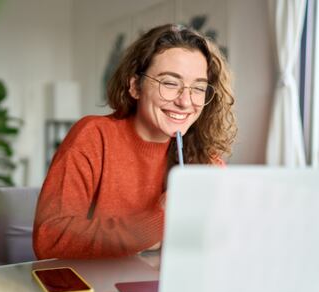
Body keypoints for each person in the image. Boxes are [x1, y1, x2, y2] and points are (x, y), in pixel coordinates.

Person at [33, 24, 236, 259]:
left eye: (198, 88)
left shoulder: (206, 162)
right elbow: (49, 238)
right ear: (135, 86)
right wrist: (159, 220)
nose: (185, 101)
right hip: (95, 290)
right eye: (170, 83)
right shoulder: (93, 136)